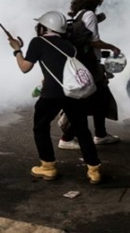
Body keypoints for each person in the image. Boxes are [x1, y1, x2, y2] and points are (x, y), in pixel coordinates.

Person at [8, 11, 102, 184]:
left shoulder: (37, 42)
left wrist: (17, 50)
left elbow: (24, 67)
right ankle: (94, 170)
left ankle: (48, 167)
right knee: (82, 130)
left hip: (50, 95)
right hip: (72, 93)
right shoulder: (69, 45)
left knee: (41, 127)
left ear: (44, 26)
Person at [57, 0, 122, 150]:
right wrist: (111, 47)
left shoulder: (73, 15)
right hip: (90, 65)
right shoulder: (89, 15)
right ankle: (67, 137)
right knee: (84, 101)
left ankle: (100, 134)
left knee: (98, 98)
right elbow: (94, 41)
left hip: (78, 64)